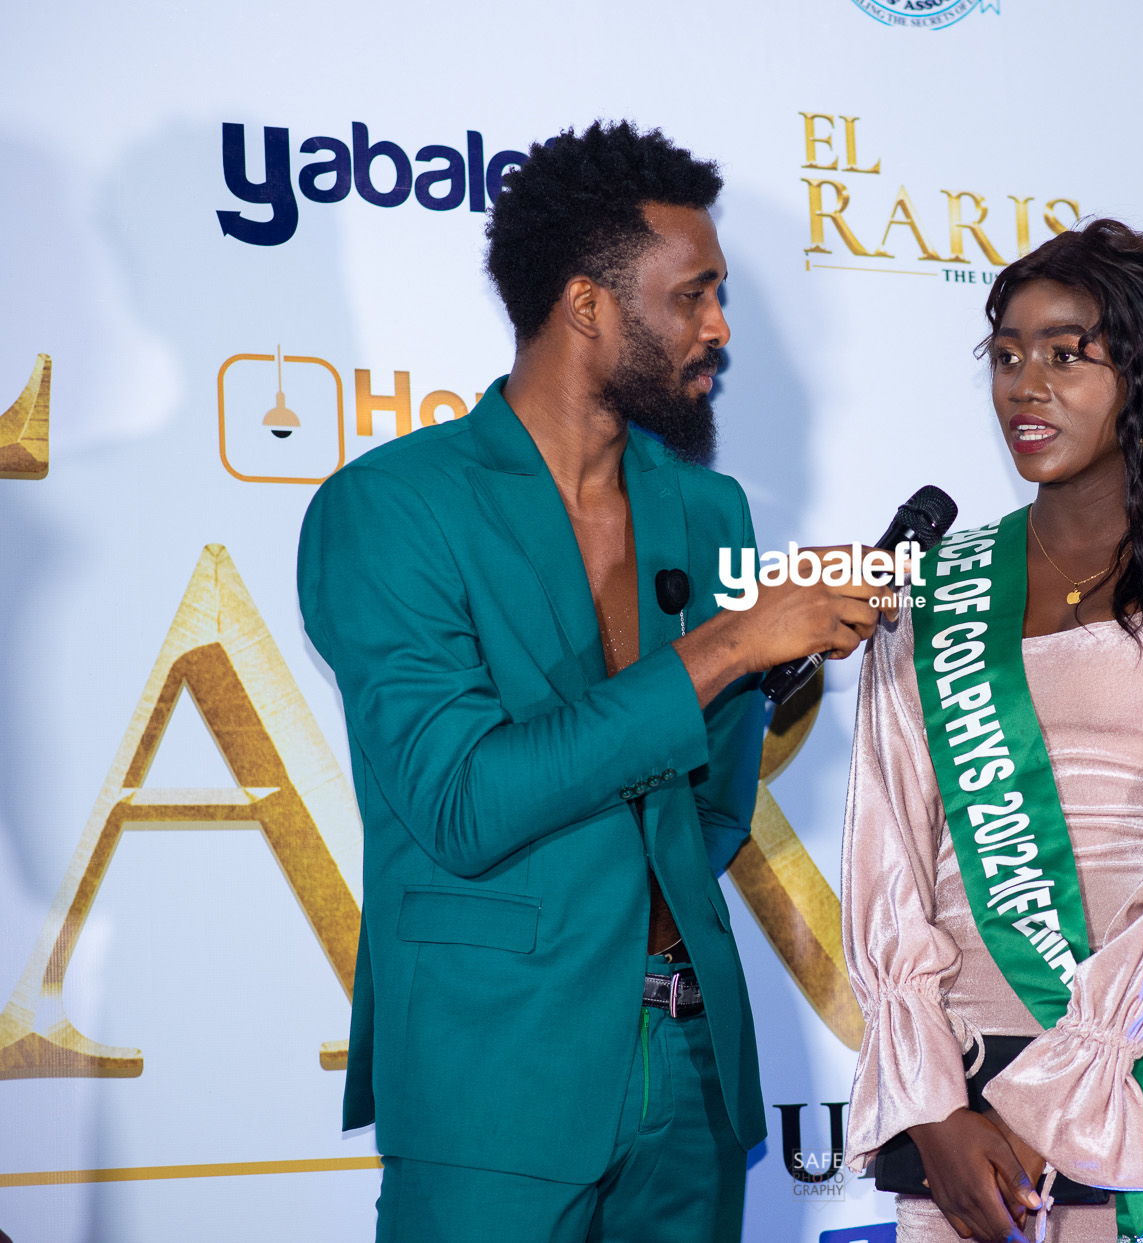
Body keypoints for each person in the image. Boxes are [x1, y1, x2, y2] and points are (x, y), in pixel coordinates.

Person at [298, 121, 883, 1243]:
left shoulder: (709, 509)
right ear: (587, 306)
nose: (720, 328)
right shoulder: (389, 508)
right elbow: (463, 803)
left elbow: (711, 809)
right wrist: (730, 647)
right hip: (495, 1074)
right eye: (692, 296)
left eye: (720, 294)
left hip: (695, 1071)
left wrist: (774, 658)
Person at [840, 220, 1143, 1243]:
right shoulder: (933, 589)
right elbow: (886, 859)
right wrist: (935, 1111)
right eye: (1006, 355)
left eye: (1065, 354)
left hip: (1134, 1088)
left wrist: (1046, 1108)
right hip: (961, 1120)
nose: (1025, 386)